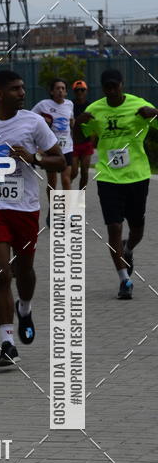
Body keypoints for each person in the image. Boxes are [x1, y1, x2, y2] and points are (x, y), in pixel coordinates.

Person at [0, 69, 65, 368]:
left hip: (25, 206)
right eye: (15, 88)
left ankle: (25, 307)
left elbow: (60, 160)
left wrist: (33, 158)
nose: (22, 93)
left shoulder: (33, 122)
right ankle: (7, 343)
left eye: (22, 87)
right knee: (2, 273)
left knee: (24, 272)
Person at [74, 68, 158, 299]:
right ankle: (125, 280)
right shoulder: (95, 110)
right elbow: (80, 140)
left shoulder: (138, 105)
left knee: (137, 229)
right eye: (107, 87)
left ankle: (128, 249)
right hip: (108, 177)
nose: (111, 91)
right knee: (113, 227)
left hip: (137, 176)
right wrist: (77, 126)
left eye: (115, 86)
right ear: (103, 88)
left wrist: (155, 114)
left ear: (122, 85)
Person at [32, 79, 75, 224]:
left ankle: (68, 212)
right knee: (52, 183)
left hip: (67, 148)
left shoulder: (70, 104)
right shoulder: (43, 105)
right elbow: (31, 119)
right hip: (51, 149)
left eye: (63, 88)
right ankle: (53, 209)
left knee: (66, 180)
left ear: (66, 91)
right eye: (57, 88)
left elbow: (71, 121)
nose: (60, 91)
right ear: (52, 91)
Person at [71, 80, 95, 189]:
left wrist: (92, 143)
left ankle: (80, 198)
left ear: (86, 91)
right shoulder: (70, 105)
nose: (80, 92)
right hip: (73, 143)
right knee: (74, 172)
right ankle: (67, 189)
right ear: (74, 92)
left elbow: (94, 125)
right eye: (77, 90)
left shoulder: (91, 106)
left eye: (82, 90)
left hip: (87, 143)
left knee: (85, 172)